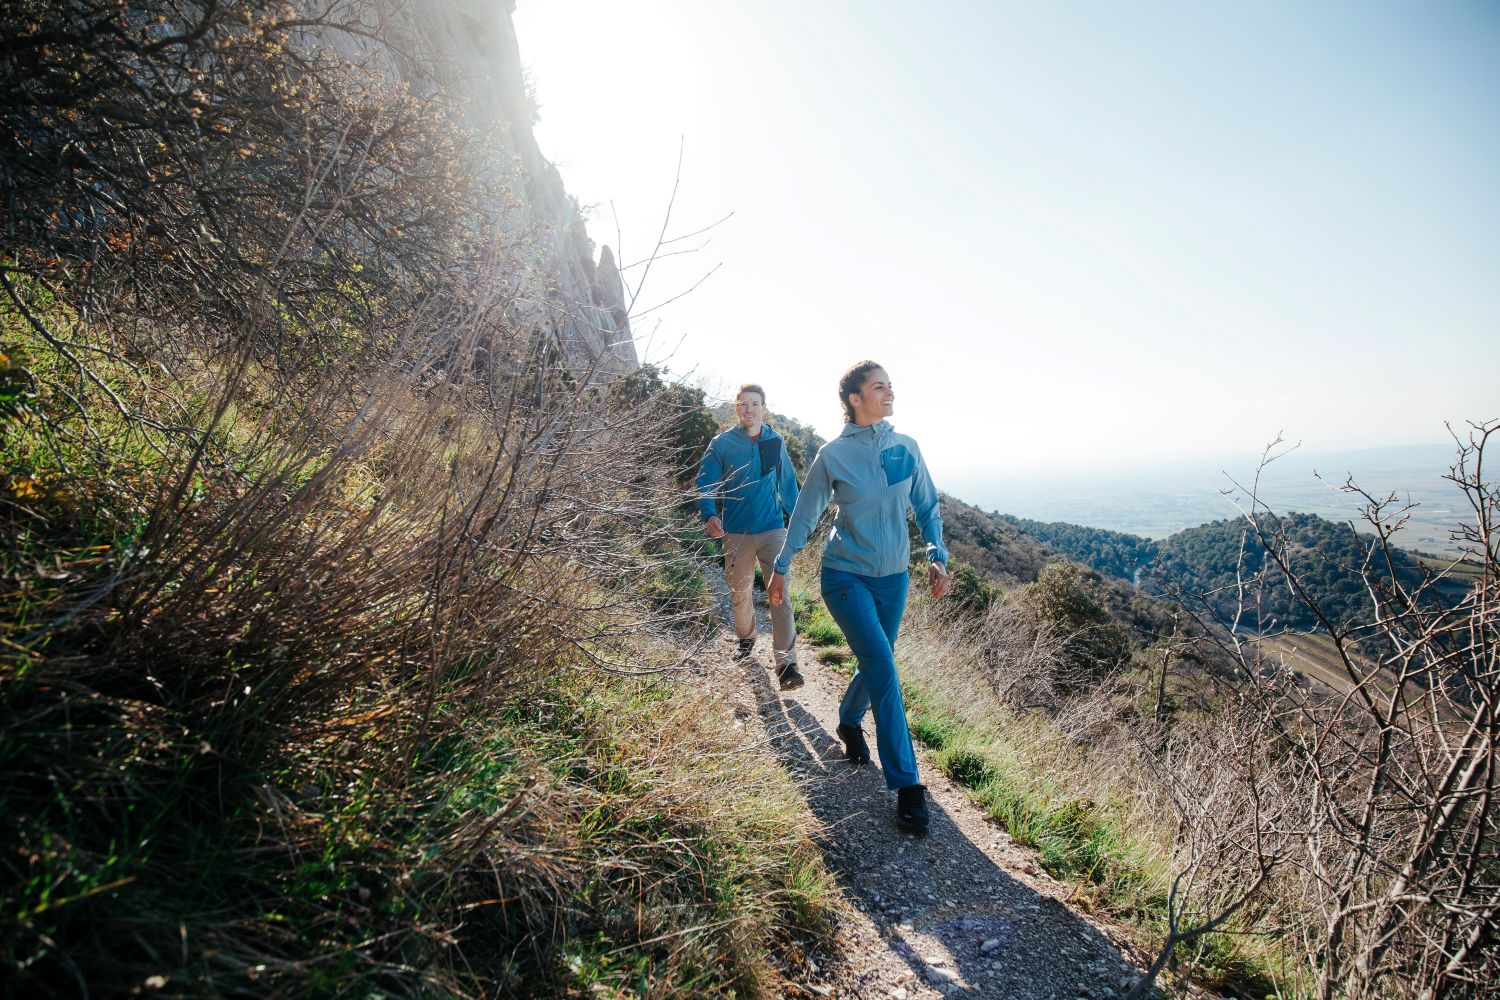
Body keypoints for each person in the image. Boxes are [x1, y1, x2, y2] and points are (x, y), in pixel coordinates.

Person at [767, 361, 951, 834]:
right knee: (884, 668)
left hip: (894, 579)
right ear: (855, 398)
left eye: (890, 386)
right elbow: (805, 514)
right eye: (879, 387)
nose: (889, 393)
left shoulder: (906, 447)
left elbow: (927, 506)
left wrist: (937, 554)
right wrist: (781, 567)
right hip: (846, 576)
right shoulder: (833, 455)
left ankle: (849, 721)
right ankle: (908, 786)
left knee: (877, 660)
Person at [696, 384, 805, 689]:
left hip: (772, 529)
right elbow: (706, 480)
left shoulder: (774, 442)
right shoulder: (722, 443)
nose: (749, 409)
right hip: (736, 531)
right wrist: (709, 513)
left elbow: (788, 486)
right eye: (743, 403)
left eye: (754, 403)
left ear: (763, 408)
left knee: (779, 594)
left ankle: (787, 665)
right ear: (736, 408)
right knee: (740, 591)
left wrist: (799, 525)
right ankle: (746, 638)